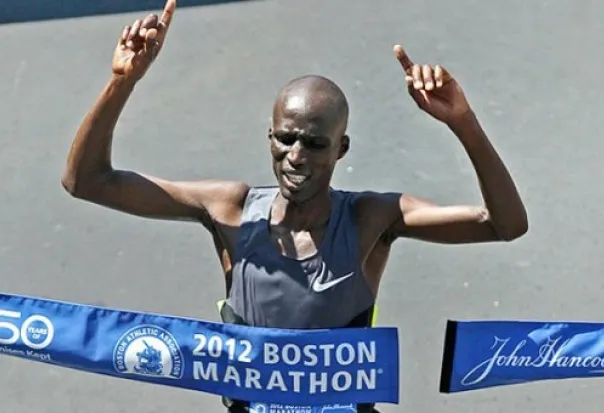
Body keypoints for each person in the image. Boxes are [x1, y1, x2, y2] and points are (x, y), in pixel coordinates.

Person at [61, 0, 528, 411]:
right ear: (269, 137)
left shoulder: (371, 219)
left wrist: (462, 121)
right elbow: (87, 181)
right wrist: (122, 81)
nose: (296, 156)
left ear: (341, 149)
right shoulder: (231, 211)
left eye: (314, 143)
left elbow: (504, 224)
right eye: (285, 138)